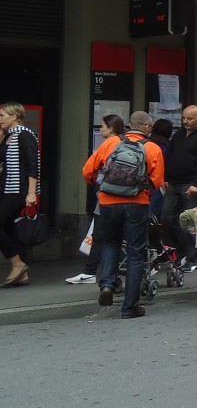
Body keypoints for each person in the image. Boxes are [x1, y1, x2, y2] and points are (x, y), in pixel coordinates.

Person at [82, 110, 164, 318]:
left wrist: (104, 187)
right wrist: (138, 190)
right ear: (147, 127)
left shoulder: (111, 144)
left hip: (108, 203)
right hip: (137, 204)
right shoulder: (153, 148)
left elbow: (87, 171)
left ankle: (107, 285)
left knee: (110, 243)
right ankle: (129, 308)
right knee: (136, 254)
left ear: (129, 125)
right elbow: (156, 181)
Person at [65, 113, 125, 285]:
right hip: (129, 196)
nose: (100, 129)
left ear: (111, 128)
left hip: (107, 194)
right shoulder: (127, 142)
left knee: (99, 234)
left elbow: (88, 170)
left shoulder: (108, 144)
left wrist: (94, 183)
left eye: (103, 126)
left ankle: (90, 272)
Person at [161, 105, 197, 271]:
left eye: (190, 119)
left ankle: (195, 257)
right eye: (184, 118)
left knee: (188, 221)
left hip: (192, 184)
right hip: (174, 183)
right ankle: (180, 252)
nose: (186, 121)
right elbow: (171, 157)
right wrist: (165, 178)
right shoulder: (178, 135)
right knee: (166, 218)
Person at [0, 101, 40, 288]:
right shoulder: (9, 135)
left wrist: (31, 192)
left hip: (18, 190)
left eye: (2, 116)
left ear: (14, 116)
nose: (0, 119)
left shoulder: (25, 135)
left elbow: (33, 165)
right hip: (7, 188)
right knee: (8, 228)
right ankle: (22, 275)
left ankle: (18, 263)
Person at [145, 118, 173, 221]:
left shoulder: (146, 143)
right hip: (160, 185)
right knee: (155, 217)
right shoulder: (168, 146)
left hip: (144, 183)